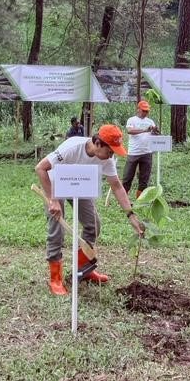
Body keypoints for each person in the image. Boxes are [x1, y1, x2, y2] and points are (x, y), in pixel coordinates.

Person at [35, 124, 146, 295]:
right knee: (57, 230)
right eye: (110, 151)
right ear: (98, 143)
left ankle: (83, 270)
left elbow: (117, 186)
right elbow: (40, 168)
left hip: (80, 184)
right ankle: (55, 278)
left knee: (93, 225)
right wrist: (52, 200)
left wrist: (130, 215)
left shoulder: (106, 159)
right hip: (55, 184)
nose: (112, 155)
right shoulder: (72, 147)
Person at [122, 100, 158, 197]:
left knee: (144, 179)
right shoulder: (131, 120)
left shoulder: (150, 121)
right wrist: (145, 130)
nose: (146, 112)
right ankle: (123, 199)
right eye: (144, 110)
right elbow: (130, 131)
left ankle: (140, 200)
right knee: (127, 177)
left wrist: (155, 131)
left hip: (147, 152)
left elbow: (155, 135)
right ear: (138, 109)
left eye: (147, 111)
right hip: (133, 152)